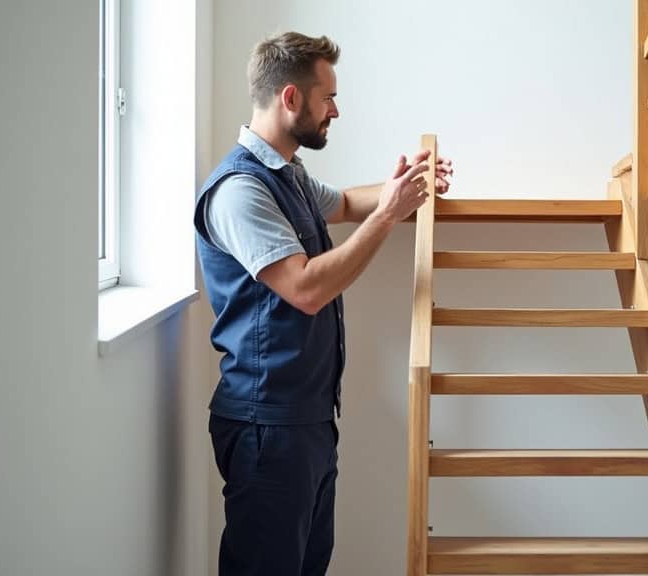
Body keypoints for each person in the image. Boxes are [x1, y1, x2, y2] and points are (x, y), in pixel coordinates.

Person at [193, 31, 453, 576]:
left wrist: (407, 185)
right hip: (267, 425)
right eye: (327, 97)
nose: (335, 110)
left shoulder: (287, 174)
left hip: (306, 421)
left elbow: (349, 203)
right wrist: (389, 215)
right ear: (291, 98)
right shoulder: (241, 191)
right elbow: (306, 289)